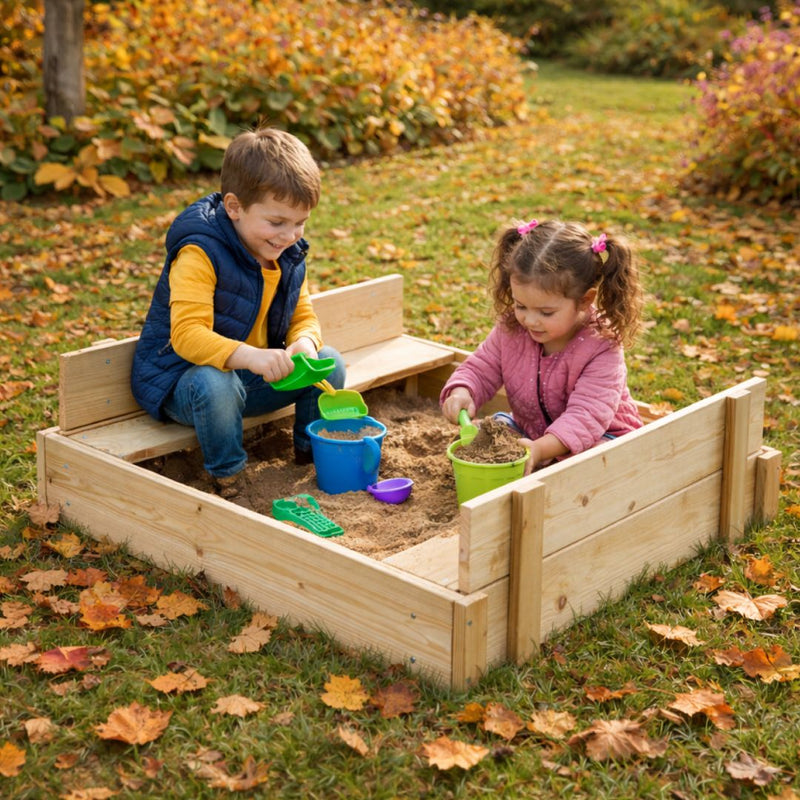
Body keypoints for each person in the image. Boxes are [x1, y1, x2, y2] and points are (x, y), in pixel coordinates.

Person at [131, 126, 345, 497]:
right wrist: (252, 356)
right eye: (276, 222)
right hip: (187, 383)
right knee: (217, 383)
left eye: (300, 223)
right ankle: (228, 476)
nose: (289, 235)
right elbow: (186, 336)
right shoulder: (200, 253)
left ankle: (311, 455)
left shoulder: (287, 254)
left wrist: (305, 344)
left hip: (249, 376)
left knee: (330, 362)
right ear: (234, 207)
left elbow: (303, 317)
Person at [440, 218, 644, 475]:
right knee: (488, 433)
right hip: (532, 432)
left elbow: (586, 417)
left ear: (584, 300)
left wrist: (539, 450)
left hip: (600, 437)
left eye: (546, 312)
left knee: (584, 469)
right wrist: (463, 390)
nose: (529, 320)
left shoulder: (602, 346)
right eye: (521, 305)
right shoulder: (513, 327)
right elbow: (482, 366)